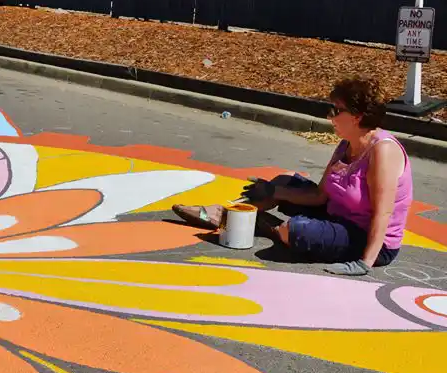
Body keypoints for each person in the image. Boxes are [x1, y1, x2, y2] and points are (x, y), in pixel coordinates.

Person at [172, 76, 413, 275]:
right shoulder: (346, 145)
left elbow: (384, 212)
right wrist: (274, 191)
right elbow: (320, 195)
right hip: (337, 215)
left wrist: (365, 262)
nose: (329, 117)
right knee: (283, 181)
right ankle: (228, 214)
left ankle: (261, 224)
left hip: (371, 241)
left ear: (357, 117)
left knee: (296, 230)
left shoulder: (383, 151)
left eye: (335, 110)